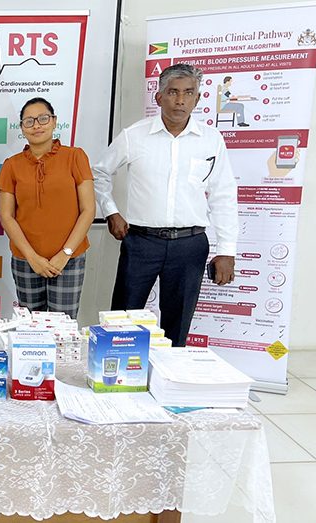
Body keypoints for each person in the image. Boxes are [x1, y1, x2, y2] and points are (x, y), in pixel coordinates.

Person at [94, 63, 238, 347]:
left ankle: (168, 382)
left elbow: (223, 195)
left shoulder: (211, 140)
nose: (180, 100)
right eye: (173, 92)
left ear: (198, 98)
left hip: (190, 244)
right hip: (142, 241)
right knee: (123, 317)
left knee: (177, 323)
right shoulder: (134, 136)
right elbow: (99, 172)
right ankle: (116, 379)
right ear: (159, 97)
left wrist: (227, 251)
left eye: (188, 93)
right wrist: (110, 211)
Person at [0, 98, 95, 319]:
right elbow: (7, 216)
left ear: (54, 121)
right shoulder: (11, 165)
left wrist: (65, 254)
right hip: (26, 259)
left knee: (63, 329)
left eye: (43, 119)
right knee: (31, 331)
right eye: (29, 121)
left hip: (69, 259)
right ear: (21, 128)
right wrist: (32, 257)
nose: (37, 125)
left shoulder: (75, 156)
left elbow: (88, 210)